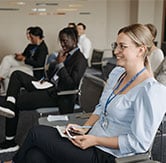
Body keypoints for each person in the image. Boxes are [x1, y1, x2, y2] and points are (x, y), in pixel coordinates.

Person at [9, 24, 166, 163]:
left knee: (36, 133)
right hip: (91, 139)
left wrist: (95, 140)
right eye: (115, 45)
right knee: (34, 156)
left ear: (141, 50)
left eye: (122, 46)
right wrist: (85, 128)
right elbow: (101, 107)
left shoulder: (151, 91)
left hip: (108, 154)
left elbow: (139, 144)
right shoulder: (118, 74)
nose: (115, 51)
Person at [0, 27, 87, 154]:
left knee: (17, 103)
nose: (62, 44)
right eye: (61, 41)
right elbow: (53, 74)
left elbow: (71, 85)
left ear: (74, 40)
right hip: (47, 86)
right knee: (17, 74)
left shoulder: (80, 59)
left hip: (58, 95)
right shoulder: (65, 55)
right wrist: (51, 69)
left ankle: (10, 142)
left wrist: (61, 65)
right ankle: (10, 103)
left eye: (65, 41)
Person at [0, 26, 48, 94]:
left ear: (37, 36)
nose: (30, 39)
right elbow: (24, 54)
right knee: (7, 58)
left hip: (32, 69)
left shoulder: (43, 48)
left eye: (32, 37)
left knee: (9, 71)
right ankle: (0, 78)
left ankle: (6, 92)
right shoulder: (31, 45)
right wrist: (20, 56)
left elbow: (39, 64)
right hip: (25, 63)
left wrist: (24, 58)